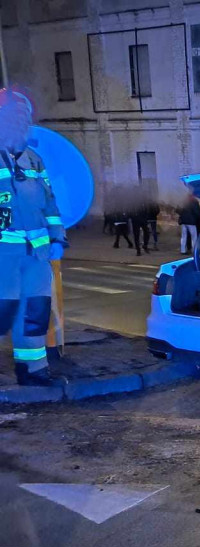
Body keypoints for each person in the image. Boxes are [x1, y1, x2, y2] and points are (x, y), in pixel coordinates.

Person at [0, 87, 67, 386]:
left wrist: (56, 238)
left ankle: (33, 370)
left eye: (21, 117)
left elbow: (50, 204)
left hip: (36, 254)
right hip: (3, 256)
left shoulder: (34, 160)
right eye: (11, 117)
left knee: (35, 312)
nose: (18, 123)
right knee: (3, 312)